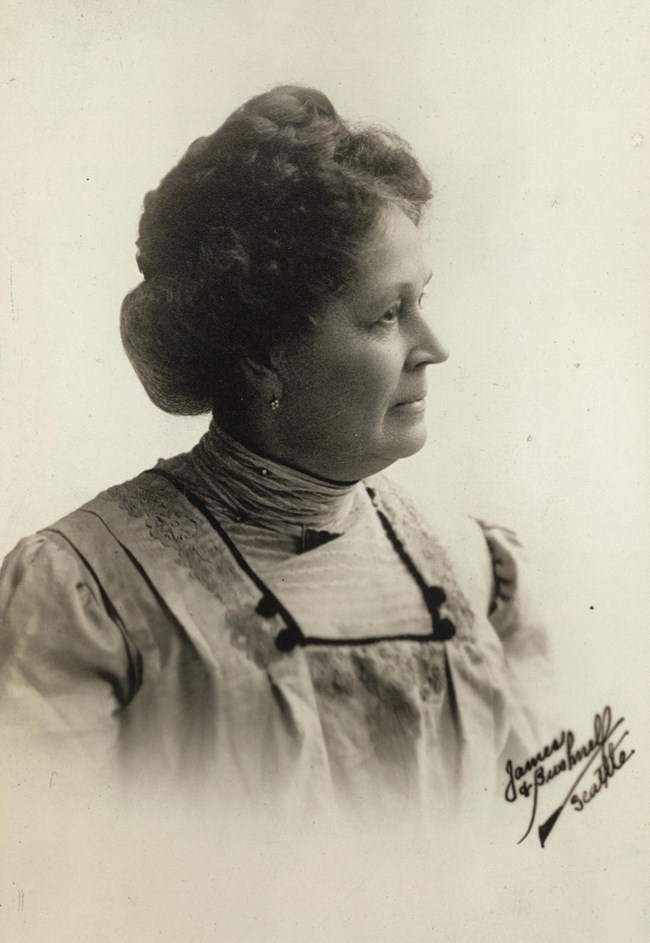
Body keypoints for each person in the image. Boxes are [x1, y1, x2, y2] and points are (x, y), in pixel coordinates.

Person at [0, 86, 551, 825]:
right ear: (264, 354)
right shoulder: (85, 592)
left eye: (423, 300)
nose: (435, 348)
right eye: (388, 314)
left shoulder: (476, 571)